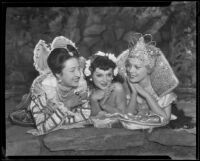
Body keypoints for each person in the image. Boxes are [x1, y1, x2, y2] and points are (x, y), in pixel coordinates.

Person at [9, 36, 91, 136]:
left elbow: (84, 115)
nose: (78, 74)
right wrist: (66, 106)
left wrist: (56, 115)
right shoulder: (43, 89)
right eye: (72, 70)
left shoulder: (80, 84)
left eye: (79, 68)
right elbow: (43, 127)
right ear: (57, 74)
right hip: (34, 104)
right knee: (28, 108)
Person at [116, 33, 179, 130]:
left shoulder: (163, 89)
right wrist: (134, 93)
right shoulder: (128, 86)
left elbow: (165, 119)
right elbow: (127, 116)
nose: (130, 70)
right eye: (128, 65)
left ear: (149, 69)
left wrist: (146, 95)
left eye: (137, 67)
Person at [83, 51, 127, 127]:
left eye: (108, 75)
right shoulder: (87, 89)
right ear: (90, 76)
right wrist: (93, 99)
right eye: (99, 75)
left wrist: (104, 105)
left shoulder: (116, 88)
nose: (105, 80)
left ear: (113, 75)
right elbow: (95, 120)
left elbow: (124, 116)